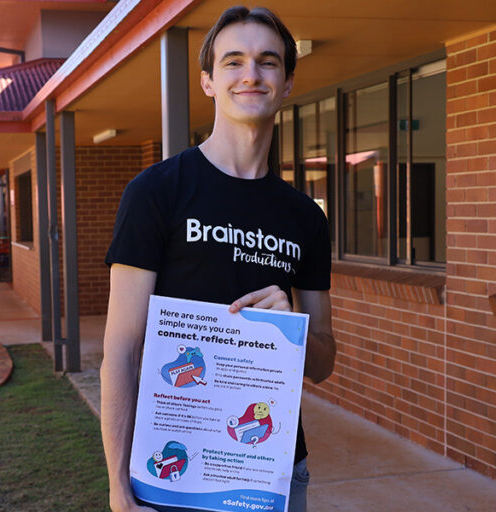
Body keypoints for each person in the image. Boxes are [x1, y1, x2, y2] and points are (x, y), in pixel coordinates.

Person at [100, 6, 336, 512]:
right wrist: (119, 488)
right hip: (171, 472)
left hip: (271, 476)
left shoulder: (305, 217)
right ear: (208, 81)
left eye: (267, 62)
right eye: (233, 62)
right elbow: (120, 351)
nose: (251, 74)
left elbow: (323, 363)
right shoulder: (157, 192)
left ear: (288, 82)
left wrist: (290, 330)